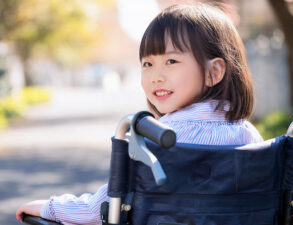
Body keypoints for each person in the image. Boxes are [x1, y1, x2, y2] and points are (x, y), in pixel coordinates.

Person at [16, 3, 263, 224]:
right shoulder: (252, 139)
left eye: (171, 61)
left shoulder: (161, 142)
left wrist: (50, 207)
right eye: (148, 64)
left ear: (214, 71)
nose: (156, 76)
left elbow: (101, 208)